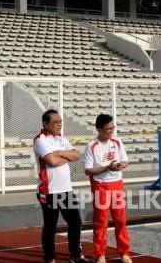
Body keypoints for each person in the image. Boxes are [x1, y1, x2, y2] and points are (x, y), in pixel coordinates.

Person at [33, 109, 91, 263]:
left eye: (60, 122)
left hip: (66, 190)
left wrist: (58, 152)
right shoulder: (40, 140)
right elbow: (52, 161)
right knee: (51, 226)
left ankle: (75, 255)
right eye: (55, 122)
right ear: (46, 124)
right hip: (49, 191)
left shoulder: (61, 139)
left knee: (75, 222)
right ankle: (50, 258)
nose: (59, 125)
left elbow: (77, 155)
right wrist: (66, 156)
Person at [83, 114, 132, 263]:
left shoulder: (117, 141)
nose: (111, 131)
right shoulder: (91, 145)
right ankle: (100, 255)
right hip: (100, 186)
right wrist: (107, 168)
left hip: (117, 184)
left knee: (121, 220)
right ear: (99, 129)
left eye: (112, 127)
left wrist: (119, 166)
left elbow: (125, 161)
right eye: (108, 128)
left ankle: (124, 253)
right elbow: (88, 170)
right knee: (101, 222)